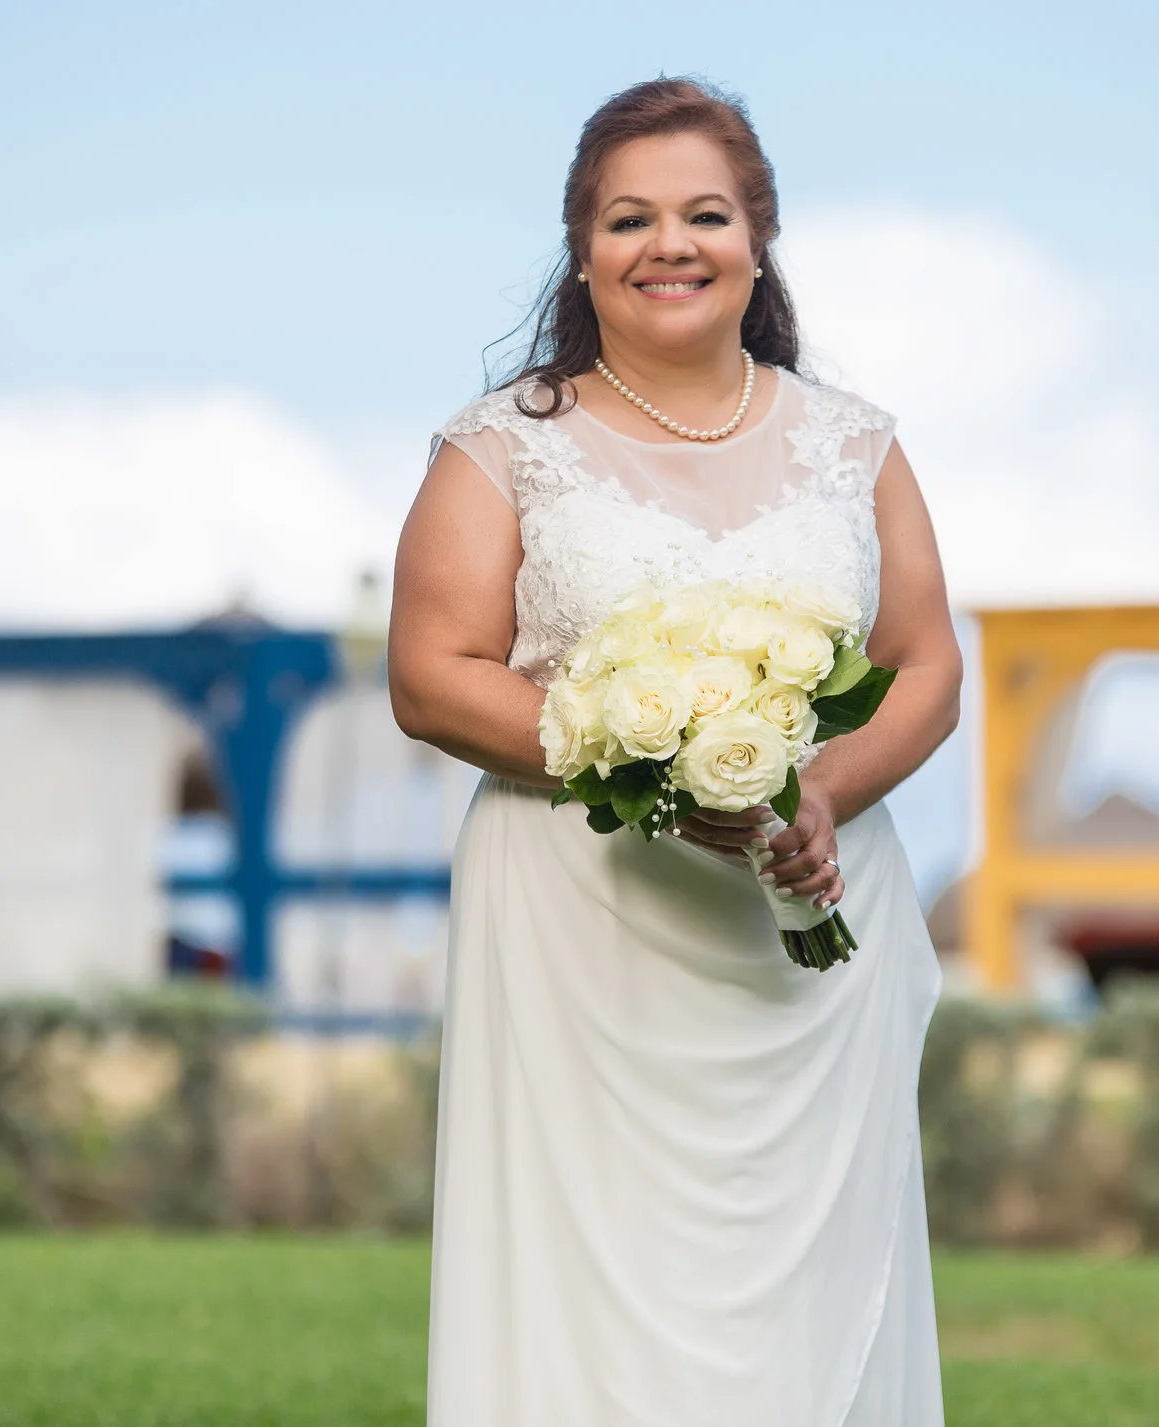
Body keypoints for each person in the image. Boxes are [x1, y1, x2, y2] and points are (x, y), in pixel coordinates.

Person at [391, 77, 960, 1425]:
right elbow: (429, 674)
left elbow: (927, 665)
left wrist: (816, 793)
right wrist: (638, 766)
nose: (670, 244)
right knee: (595, 1302)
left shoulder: (852, 444)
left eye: (705, 214)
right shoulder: (503, 448)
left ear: (757, 238)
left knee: (807, 1307)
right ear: (583, 250)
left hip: (806, 918)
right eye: (629, 218)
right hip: (581, 925)